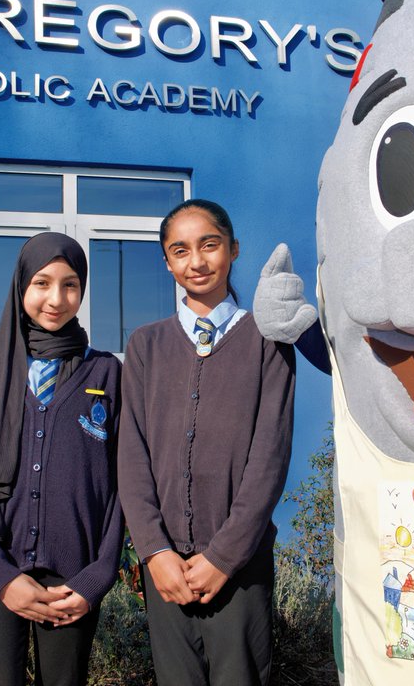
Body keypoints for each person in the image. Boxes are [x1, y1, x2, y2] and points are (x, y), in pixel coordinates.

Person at [117, 198, 295, 686]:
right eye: (180, 250)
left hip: (238, 566)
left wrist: (223, 556)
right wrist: (153, 550)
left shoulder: (267, 340)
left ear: (233, 249)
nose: (196, 262)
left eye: (209, 245)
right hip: (167, 569)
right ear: (167, 261)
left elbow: (270, 456)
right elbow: (131, 454)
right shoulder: (146, 346)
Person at [0, 232, 124, 686]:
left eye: (70, 285)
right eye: (42, 283)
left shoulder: (105, 373)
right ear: (21, 286)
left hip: (72, 580)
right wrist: (1, 578)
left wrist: (97, 576)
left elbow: (125, 486)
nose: (56, 299)